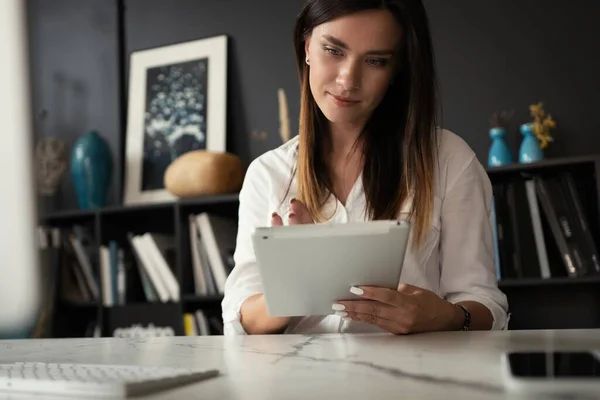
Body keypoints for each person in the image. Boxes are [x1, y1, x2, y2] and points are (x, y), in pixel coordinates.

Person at [221, 0, 509, 335]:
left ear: (396, 69)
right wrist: (299, 277)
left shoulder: (448, 159)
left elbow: (486, 304)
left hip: (413, 381)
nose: (348, 80)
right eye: (333, 50)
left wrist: (443, 315)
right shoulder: (267, 173)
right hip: (299, 382)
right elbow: (241, 319)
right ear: (307, 48)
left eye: (375, 60)